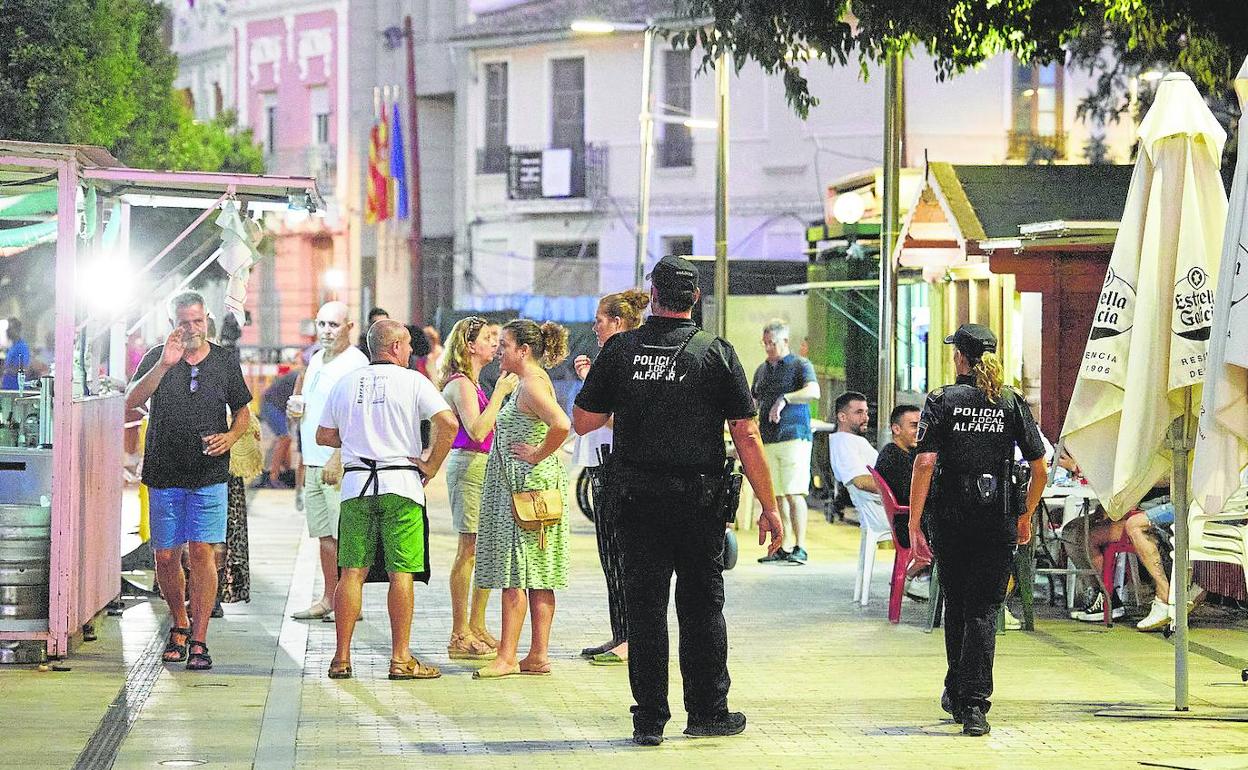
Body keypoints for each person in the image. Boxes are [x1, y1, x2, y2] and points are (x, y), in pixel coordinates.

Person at [573, 255, 784, 746]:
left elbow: (583, 420)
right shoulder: (716, 352)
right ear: (694, 298)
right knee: (702, 607)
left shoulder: (622, 349)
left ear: (653, 295)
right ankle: (708, 712)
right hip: (698, 501)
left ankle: (649, 720)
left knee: (644, 610)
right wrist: (770, 507)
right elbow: (747, 433)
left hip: (636, 500)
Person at [907, 323, 1047, 737]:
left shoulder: (942, 400)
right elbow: (1039, 469)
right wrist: (1025, 514)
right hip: (998, 519)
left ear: (960, 358)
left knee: (957, 604)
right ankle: (973, 704)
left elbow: (925, 463)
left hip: (951, 518)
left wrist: (915, 522)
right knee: (985, 610)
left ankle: (957, 691)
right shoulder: (1011, 402)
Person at [316, 320, 457, 680]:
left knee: (351, 573)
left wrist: (359, 440)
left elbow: (323, 434)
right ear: (394, 348)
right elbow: (449, 423)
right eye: (408, 345)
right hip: (402, 487)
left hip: (356, 487)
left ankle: (341, 658)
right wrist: (431, 464)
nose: (410, 351)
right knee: (401, 573)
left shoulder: (347, 383)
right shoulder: (412, 382)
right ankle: (400, 659)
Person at [125, 291, 252, 671]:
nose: (193, 329)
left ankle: (198, 637)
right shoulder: (156, 357)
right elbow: (130, 400)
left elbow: (242, 412)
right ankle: (178, 620)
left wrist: (230, 437)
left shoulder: (224, 361)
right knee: (165, 555)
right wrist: (165, 364)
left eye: (198, 321)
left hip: (209, 473)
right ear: (173, 323)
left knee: (202, 553)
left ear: (207, 319)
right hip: (164, 470)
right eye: (185, 322)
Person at [472, 319, 572, 680]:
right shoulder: (531, 382)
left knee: (516, 574)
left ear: (523, 351)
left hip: (525, 489)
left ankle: (507, 656)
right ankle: (537, 654)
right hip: (529, 489)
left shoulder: (530, 385)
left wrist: (537, 454)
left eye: (505, 346)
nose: (499, 352)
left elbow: (561, 423)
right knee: (538, 572)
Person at [571, 289, 650, 666]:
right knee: (610, 558)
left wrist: (590, 381)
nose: (594, 327)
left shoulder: (627, 360)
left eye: (599, 320)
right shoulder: (612, 359)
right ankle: (621, 633)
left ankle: (632, 638)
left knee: (622, 559)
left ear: (617, 323)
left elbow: (621, 416)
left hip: (619, 469)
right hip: (602, 468)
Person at [439, 316, 519, 660]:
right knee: (468, 549)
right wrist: (500, 393)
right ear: (469, 346)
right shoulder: (461, 384)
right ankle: (460, 631)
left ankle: (476, 624)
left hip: (482, 468)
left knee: (483, 549)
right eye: (488, 338)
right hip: (469, 466)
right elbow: (476, 430)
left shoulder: (473, 383)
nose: (495, 344)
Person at [287, 302, 369, 621]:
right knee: (324, 535)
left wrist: (339, 456)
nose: (326, 331)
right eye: (321, 324)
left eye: (334, 325)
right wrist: (298, 410)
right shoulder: (317, 359)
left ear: (350, 327)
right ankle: (330, 598)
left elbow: (358, 416)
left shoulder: (356, 363)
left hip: (340, 463)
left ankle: (350, 603)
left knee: (345, 535)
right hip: (314, 460)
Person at [752, 319, 820, 564]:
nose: (769, 348)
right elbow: (754, 400)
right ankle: (782, 544)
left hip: (793, 436)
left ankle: (800, 546)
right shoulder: (762, 370)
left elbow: (813, 391)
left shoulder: (801, 365)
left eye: (773, 343)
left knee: (794, 492)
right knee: (776, 496)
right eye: (766, 343)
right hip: (768, 438)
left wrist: (785, 399)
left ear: (785, 342)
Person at [874, 404, 931, 599]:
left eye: (921, 426)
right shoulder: (891, 458)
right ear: (896, 429)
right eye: (914, 426)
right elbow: (912, 496)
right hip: (910, 527)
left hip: (913, 522)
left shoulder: (909, 454)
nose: (920, 431)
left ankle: (918, 577)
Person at [827, 391, 890, 536]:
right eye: (859, 412)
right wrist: (903, 487)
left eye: (866, 412)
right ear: (842, 417)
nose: (866, 418)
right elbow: (860, 481)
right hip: (887, 513)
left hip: (887, 509)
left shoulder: (853, 441)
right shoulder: (844, 443)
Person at [2, 318, 31, 390]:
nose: (8, 331)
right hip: (7, 386)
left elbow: (23, 368)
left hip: (16, 388)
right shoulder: (11, 346)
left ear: (17, 330)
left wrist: (5, 370)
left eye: (10, 328)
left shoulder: (22, 347)